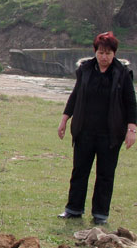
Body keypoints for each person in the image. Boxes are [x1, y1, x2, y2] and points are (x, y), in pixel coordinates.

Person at [57, 32, 137, 224]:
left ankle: (100, 214)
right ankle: (73, 209)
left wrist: (131, 129)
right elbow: (75, 95)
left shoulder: (122, 73)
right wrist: (65, 119)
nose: (104, 57)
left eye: (108, 53)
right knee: (79, 171)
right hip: (84, 130)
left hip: (111, 134)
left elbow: (130, 102)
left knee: (105, 174)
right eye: (101, 52)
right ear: (95, 51)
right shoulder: (85, 69)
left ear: (114, 53)